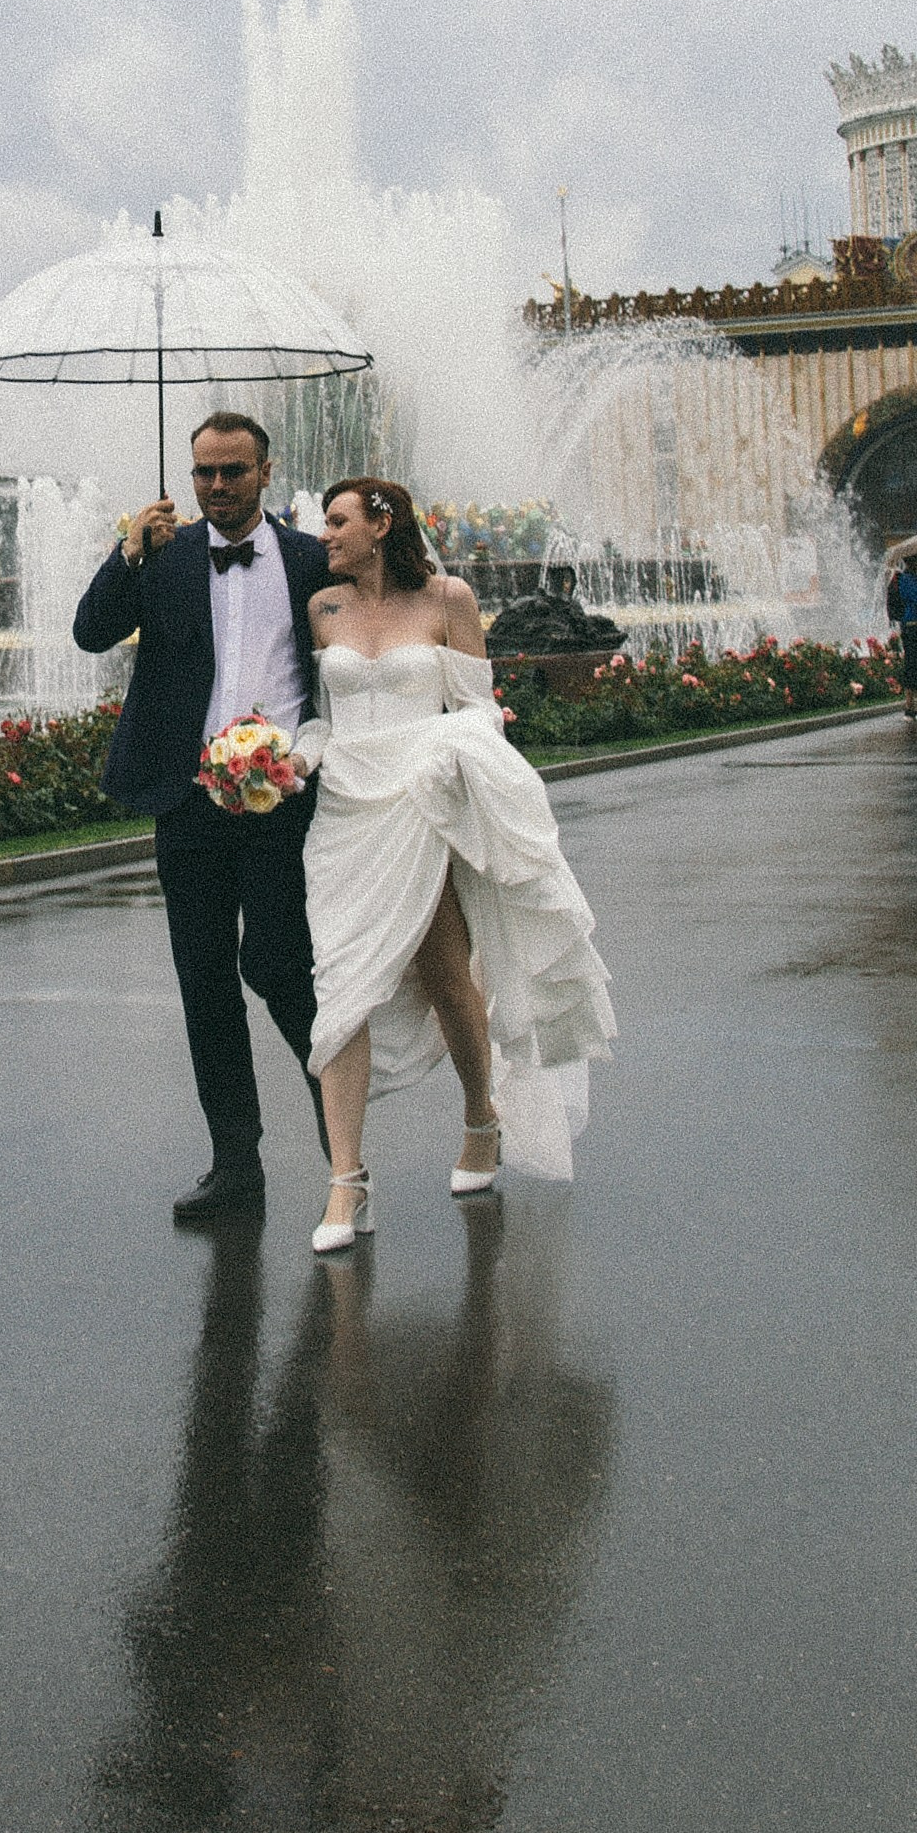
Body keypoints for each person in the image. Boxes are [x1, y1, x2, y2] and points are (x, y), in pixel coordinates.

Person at [296, 477, 615, 1253]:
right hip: (345, 813)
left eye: (336, 522)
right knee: (340, 985)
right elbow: (322, 718)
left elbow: (478, 712)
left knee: (444, 974)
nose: (323, 535)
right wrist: (294, 758)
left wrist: (447, 755)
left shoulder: (449, 599)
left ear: (381, 525)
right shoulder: (322, 608)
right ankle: (348, 1182)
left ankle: (480, 1118)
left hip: (423, 801)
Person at [72, 412, 333, 1225]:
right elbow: (90, 633)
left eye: (232, 471)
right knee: (205, 981)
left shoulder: (309, 559)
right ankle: (235, 1163)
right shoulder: (163, 555)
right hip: (188, 801)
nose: (216, 486)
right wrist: (127, 553)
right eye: (203, 473)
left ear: (265, 473)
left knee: (282, 965)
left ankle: (342, 1138)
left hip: (282, 800)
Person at [887, 553, 917, 722]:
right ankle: (913, 708)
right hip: (914, 626)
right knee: (915, 666)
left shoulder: (913, 579)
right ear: (913, 561)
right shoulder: (908, 579)